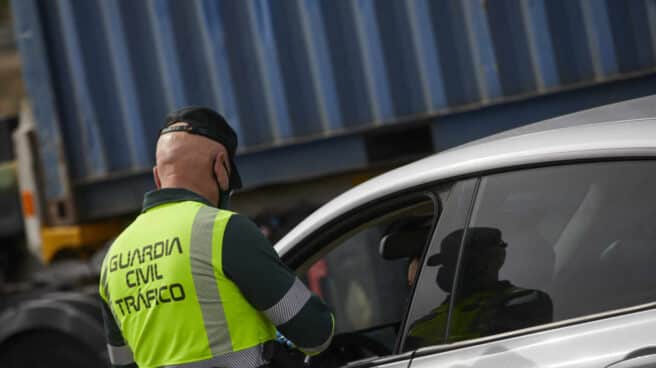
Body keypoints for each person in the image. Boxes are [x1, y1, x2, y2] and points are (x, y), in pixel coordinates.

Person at [98, 107, 334, 368]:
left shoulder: (113, 258)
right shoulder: (224, 231)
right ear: (221, 165)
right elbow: (315, 335)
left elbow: (122, 363)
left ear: (157, 176)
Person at [405, 227, 552, 349]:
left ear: (490, 262)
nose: (444, 271)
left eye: (452, 263)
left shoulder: (523, 303)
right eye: (445, 264)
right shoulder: (531, 300)